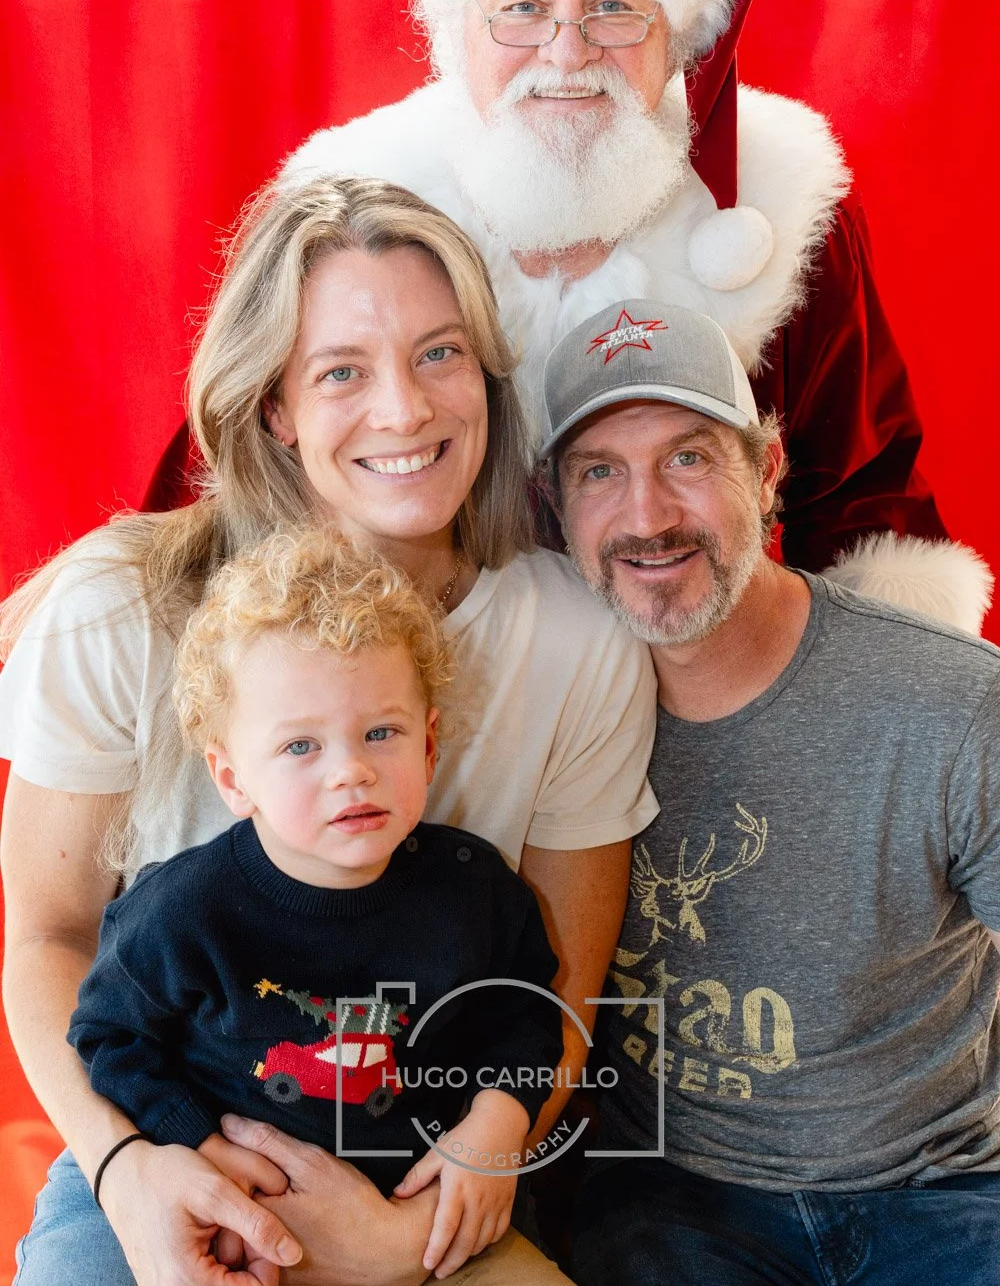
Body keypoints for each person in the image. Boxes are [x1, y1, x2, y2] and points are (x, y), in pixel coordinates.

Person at [0, 176, 656, 1286]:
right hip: (162, 1148)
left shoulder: (577, 638)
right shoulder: (118, 607)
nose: (404, 409)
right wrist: (130, 1169)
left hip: (429, 1172)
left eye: (440, 354)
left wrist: (415, 1225)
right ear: (275, 408)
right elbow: (48, 939)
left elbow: (553, 1003)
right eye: (342, 371)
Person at [193, 0, 984, 634]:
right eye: (521, 8)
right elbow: (229, 487)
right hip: (411, 686)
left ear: (680, 36)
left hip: (703, 685)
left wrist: (881, 705)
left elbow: (864, 512)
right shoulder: (347, 216)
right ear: (454, 27)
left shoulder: (782, 204)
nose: (566, 54)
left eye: (614, 7)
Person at [538, 297, 1000, 1285]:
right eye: (599, 472)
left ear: (767, 470)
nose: (647, 517)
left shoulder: (956, 702)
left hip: (944, 1193)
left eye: (689, 459)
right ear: (557, 506)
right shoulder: (547, 714)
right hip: (677, 1203)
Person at [68, 527, 564, 1282]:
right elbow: (107, 1036)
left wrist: (501, 1117)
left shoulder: (476, 892)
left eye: (381, 732)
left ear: (429, 745)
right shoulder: (182, 911)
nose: (352, 771)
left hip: (431, 1231)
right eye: (301, 747)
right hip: (244, 1227)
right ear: (233, 779)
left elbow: (526, 1013)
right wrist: (197, 1142)